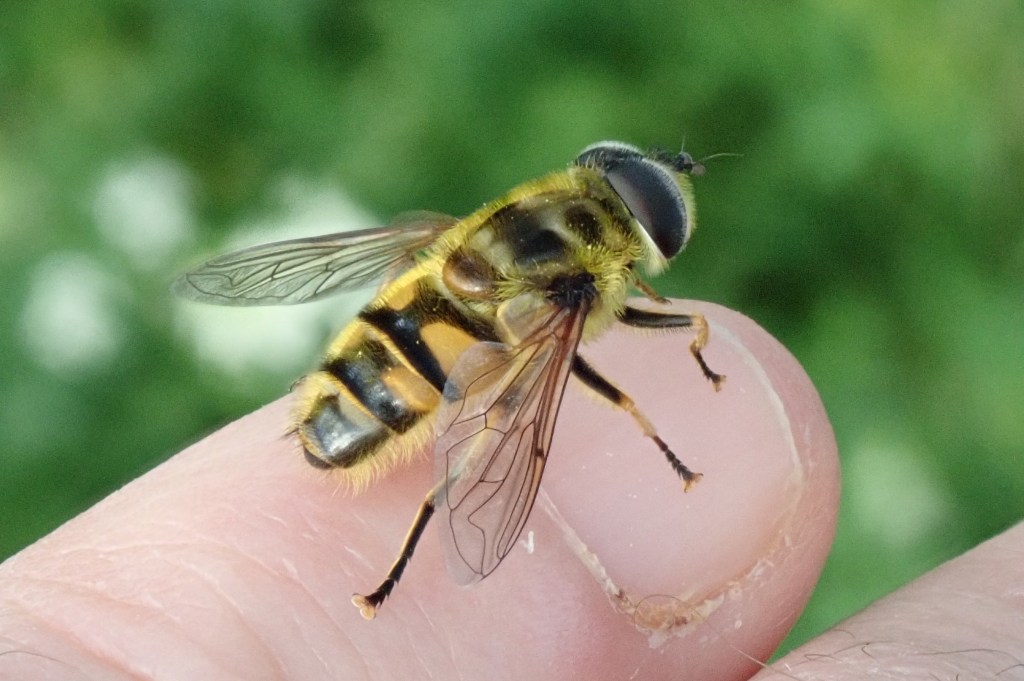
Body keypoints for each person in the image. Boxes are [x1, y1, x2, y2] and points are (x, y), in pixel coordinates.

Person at [1, 302, 1018, 680]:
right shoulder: (576, 294)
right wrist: (670, 444)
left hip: (366, 358)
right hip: (397, 392)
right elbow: (536, 404)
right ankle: (405, 564)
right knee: (506, 430)